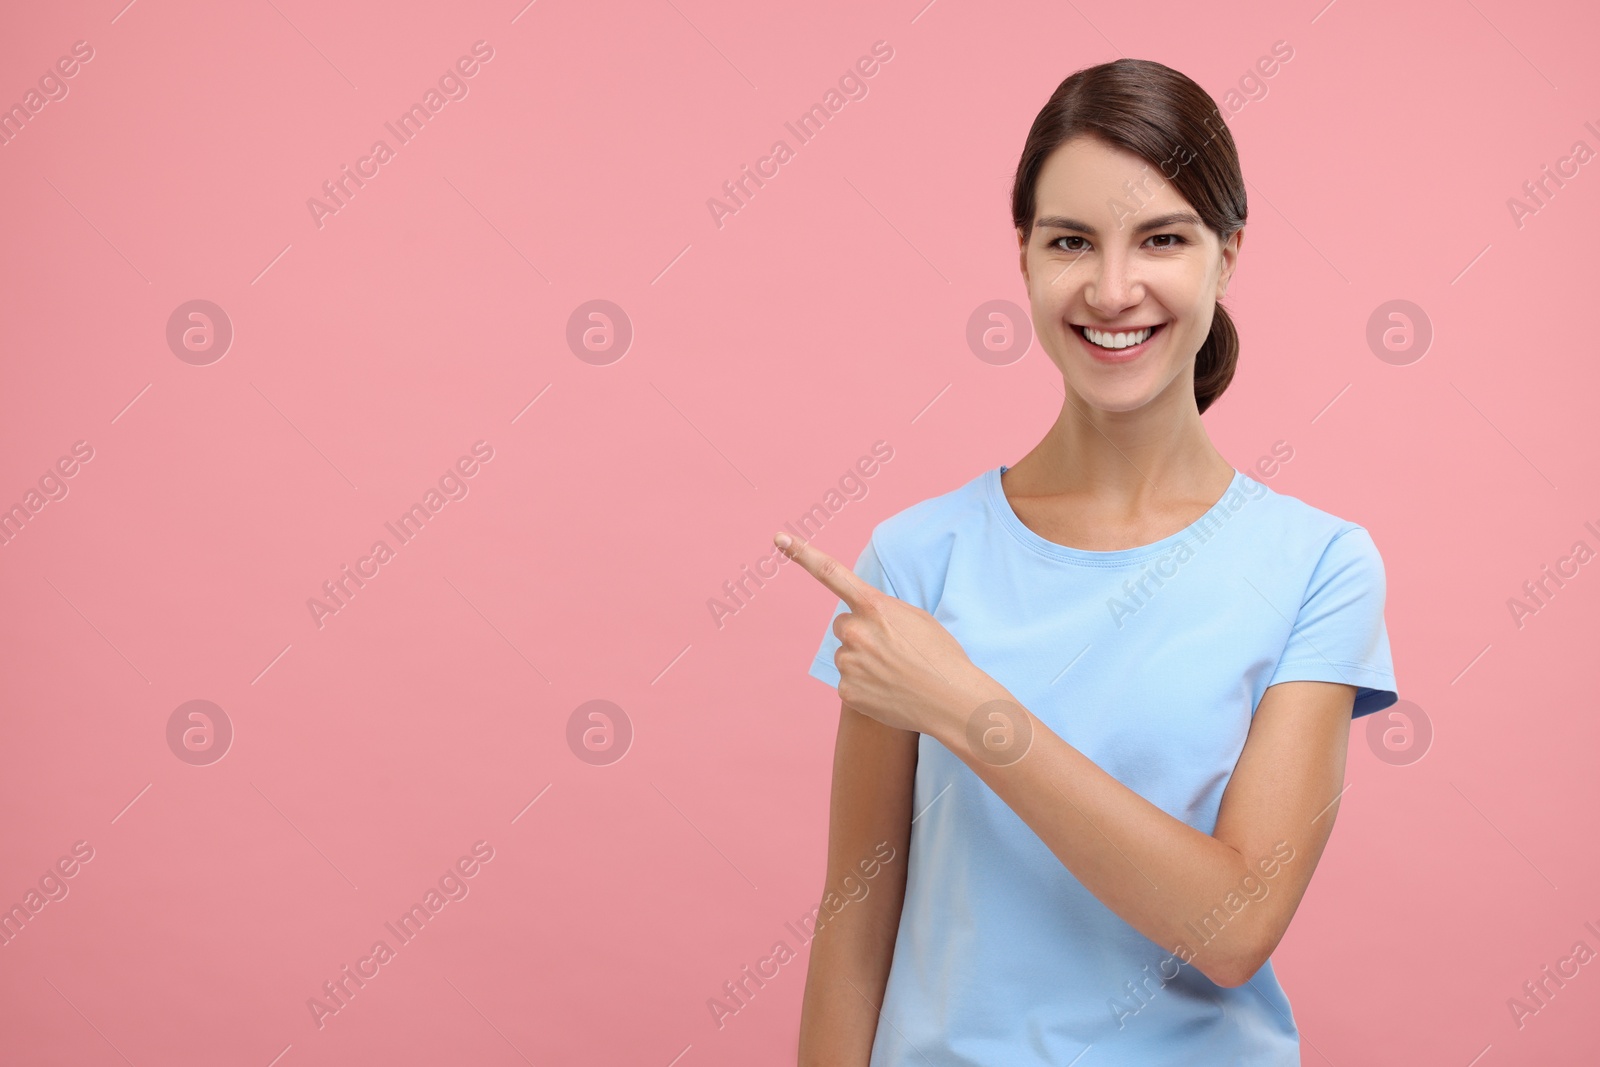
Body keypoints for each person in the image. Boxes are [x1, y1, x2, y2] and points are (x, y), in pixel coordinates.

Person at [778, 57, 1399, 1066]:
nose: (1113, 290)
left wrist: (968, 707)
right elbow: (853, 928)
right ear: (1022, 254)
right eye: (1071, 242)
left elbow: (1235, 923)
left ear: (1227, 255)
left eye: (1162, 239)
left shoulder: (1319, 565)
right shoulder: (913, 557)